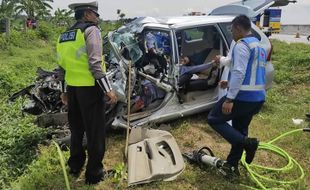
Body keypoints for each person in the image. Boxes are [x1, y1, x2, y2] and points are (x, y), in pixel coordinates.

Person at [56, 1, 117, 184]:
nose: (98, 19)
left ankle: (75, 165)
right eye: (96, 15)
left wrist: (64, 92)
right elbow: (95, 64)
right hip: (90, 89)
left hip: (73, 90)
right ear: (87, 14)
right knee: (95, 132)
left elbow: (61, 68)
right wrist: (108, 90)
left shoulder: (63, 35)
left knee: (76, 129)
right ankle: (94, 174)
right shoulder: (91, 31)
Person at [207, 15, 267, 179]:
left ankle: (248, 144)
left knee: (213, 118)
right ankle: (232, 166)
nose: (232, 33)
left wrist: (230, 98)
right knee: (240, 129)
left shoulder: (241, 45)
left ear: (239, 29)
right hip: (257, 98)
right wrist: (230, 82)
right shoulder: (257, 45)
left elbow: (240, 72)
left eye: (232, 30)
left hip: (243, 97)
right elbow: (248, 72)